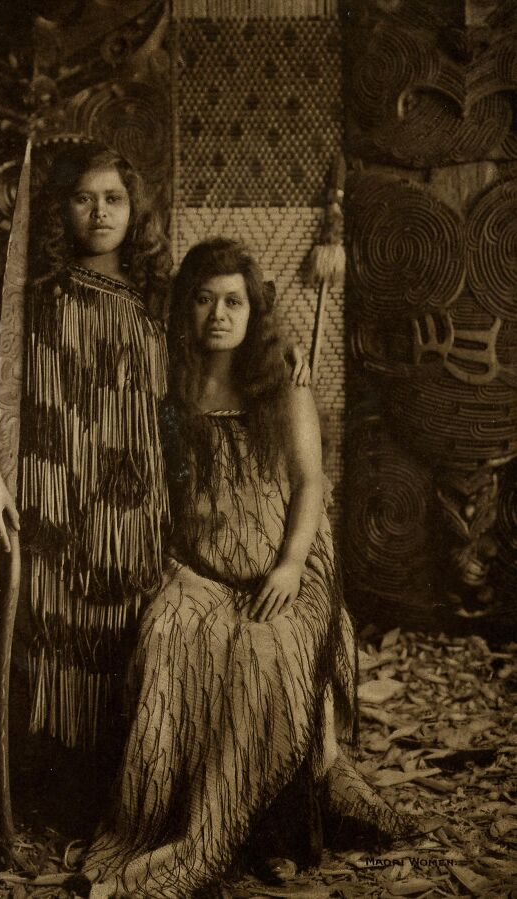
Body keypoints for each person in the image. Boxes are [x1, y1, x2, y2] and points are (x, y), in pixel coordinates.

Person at [0, 146, 311, 829]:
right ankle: (43, 790)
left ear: (135, 210)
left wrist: (287, 354)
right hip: (49, 496)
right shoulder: (31, 300)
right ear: (62, 208)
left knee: (128, 639)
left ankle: (120, 789)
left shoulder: (160, 300)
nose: (99, 212)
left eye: (114, 198)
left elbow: (230, 346)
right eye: (84, 198)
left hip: (132, 506)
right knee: (48, 638)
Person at [81, 239, 409, 897]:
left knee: (268, 648)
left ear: (254, 309)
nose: (218, 314)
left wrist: (288, 567)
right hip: (201, 560)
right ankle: (177, 819)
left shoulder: (283, 379)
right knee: (169, 635)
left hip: (286, 554)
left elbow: (311, 485)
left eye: (233, 300)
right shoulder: (167, 380)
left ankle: (273, 835)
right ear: (185, 308)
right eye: (204, 299)